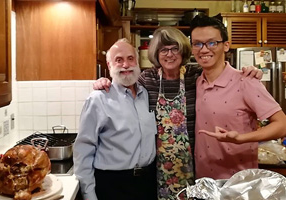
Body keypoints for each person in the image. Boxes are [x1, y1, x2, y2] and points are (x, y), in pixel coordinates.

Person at [93, 27, 262, 200]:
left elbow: (222, 73)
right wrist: (104, 81)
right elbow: (123, 86)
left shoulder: (195, 76)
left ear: (183, 51)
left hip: (194, 165)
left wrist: (250, 71)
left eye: (175, 48)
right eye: (164, 49)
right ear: (156, 53)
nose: (170, 54)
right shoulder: (147, 78)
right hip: (157, 168)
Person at [190, 15, 286, 180]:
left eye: (212, 43)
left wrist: (242, 138)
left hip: (239, 184)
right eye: (197, 43)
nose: (204, 49)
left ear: (226, 45)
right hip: (204, 181)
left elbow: (282, 124)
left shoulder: (246, 81)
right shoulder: (197, 82)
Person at [73, 38, 157, 200]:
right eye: (119, 60)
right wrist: (89, 194)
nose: (126, 65)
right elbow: (83, 151)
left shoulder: (145, 94)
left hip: (147, 183)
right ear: (109, 65)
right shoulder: (98, 99)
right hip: (112, 185)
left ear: (137, 62)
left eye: (130, 58)